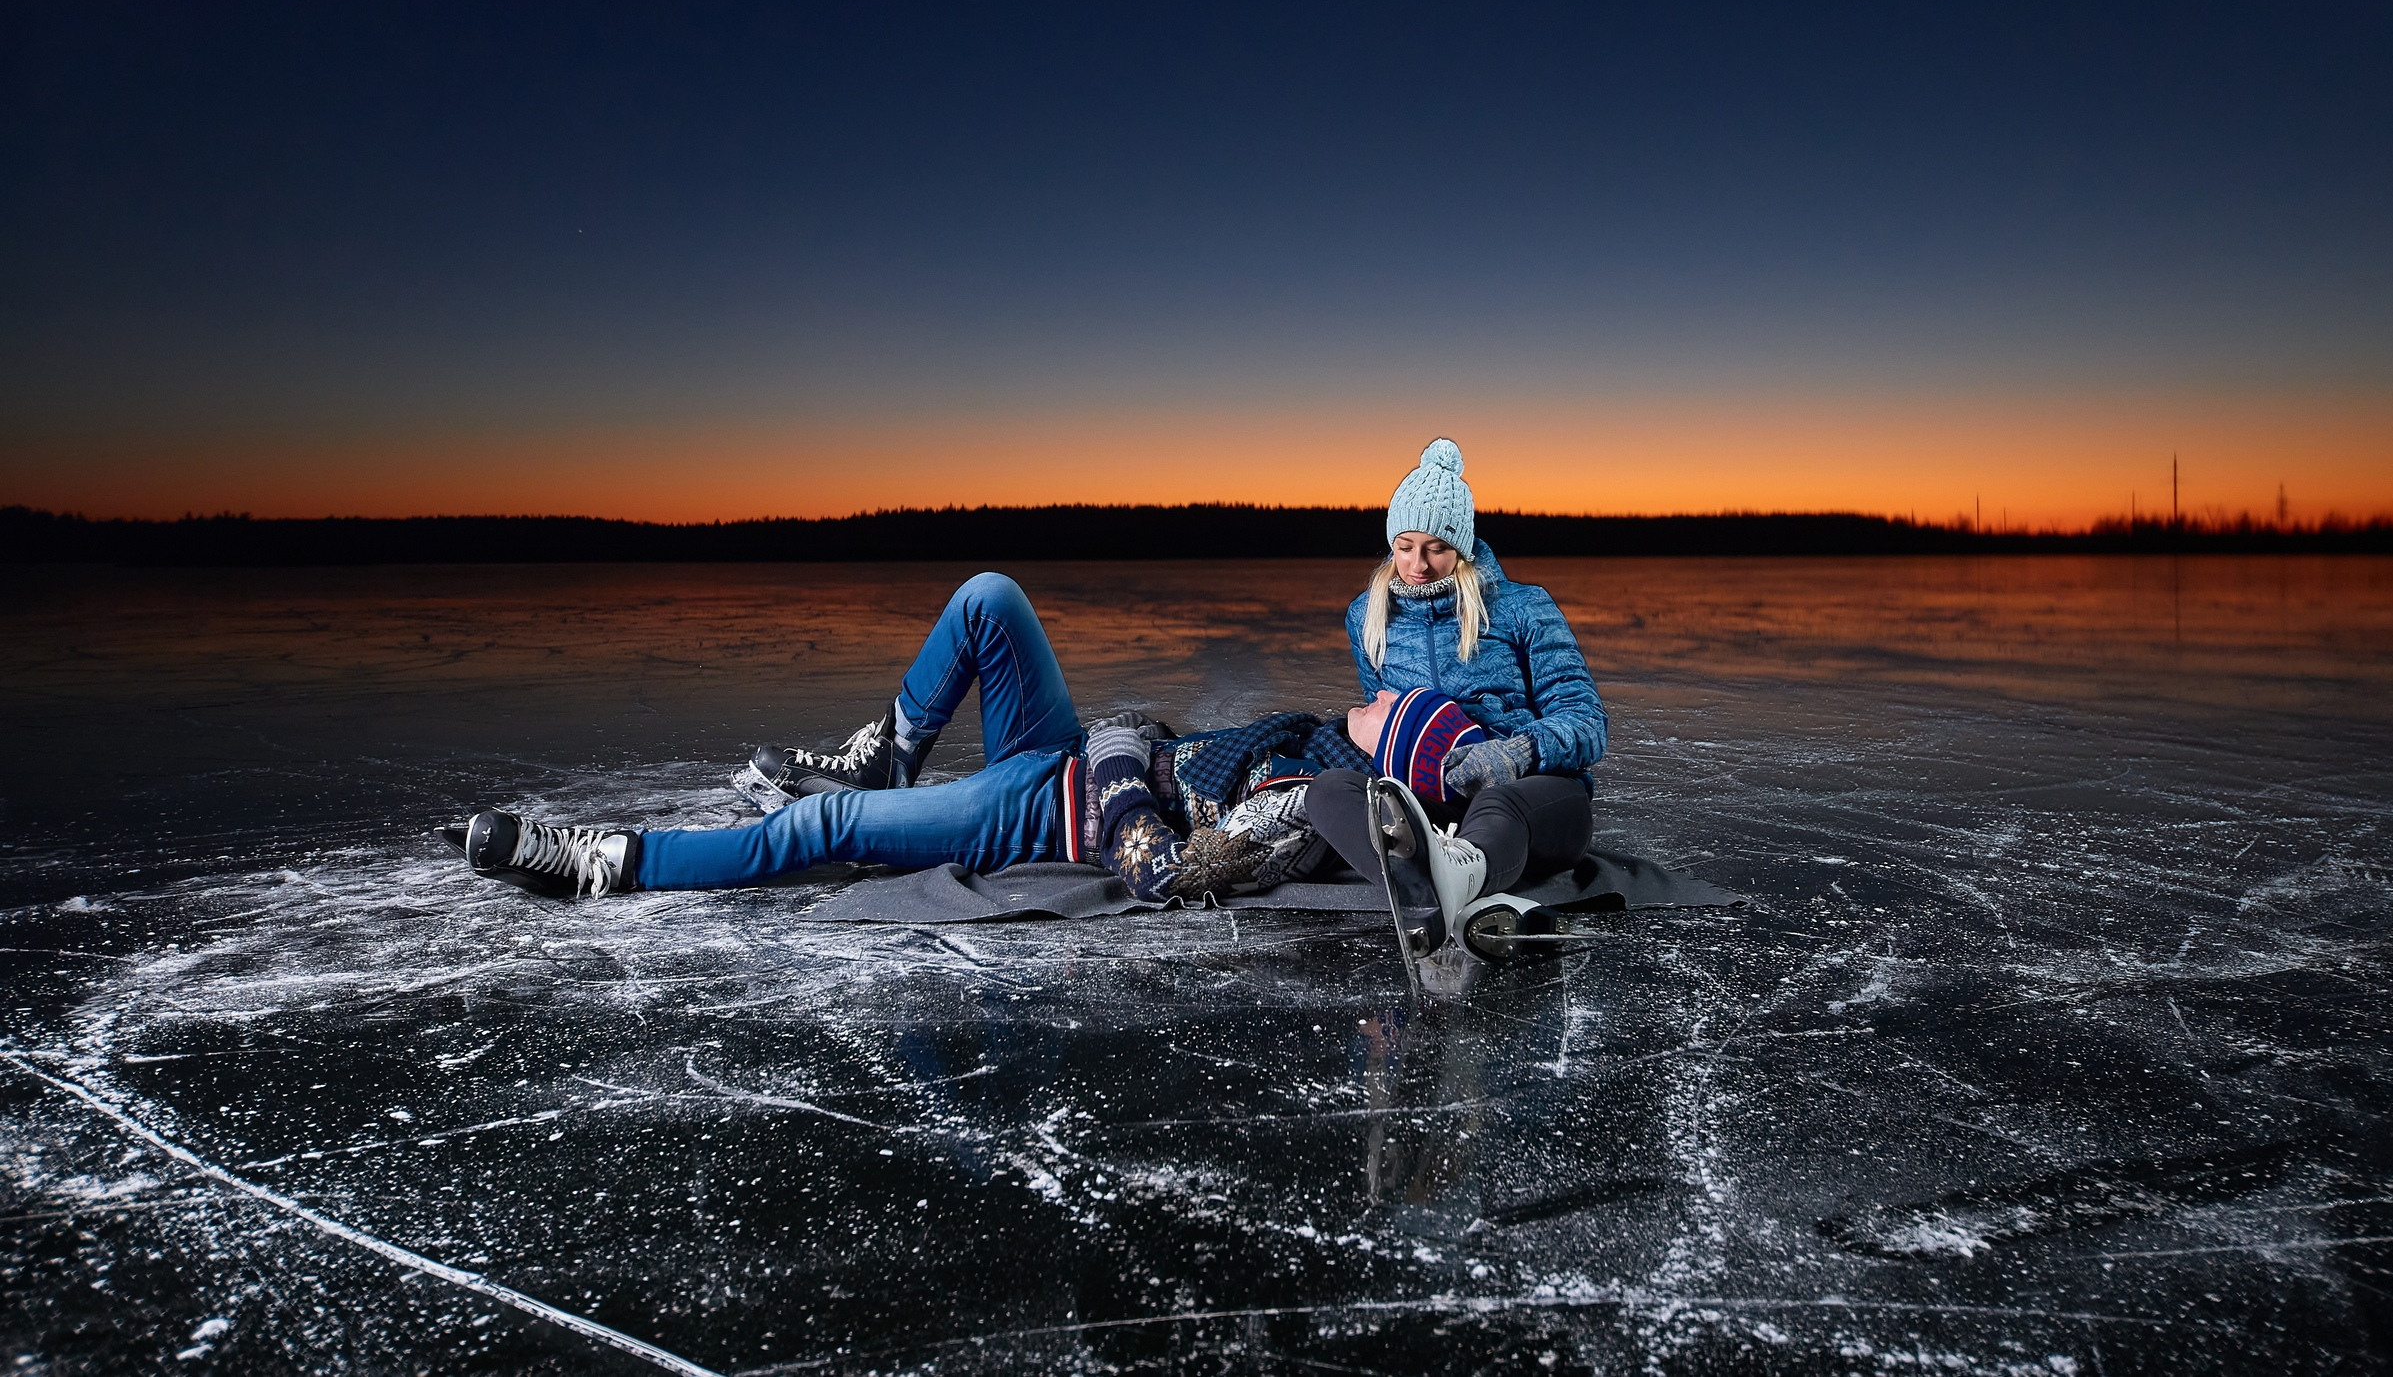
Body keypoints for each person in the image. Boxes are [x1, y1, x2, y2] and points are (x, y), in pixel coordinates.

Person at [454, 571, 1364, 902]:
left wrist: (1122, 757)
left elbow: (1157, 863)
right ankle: (886, 752)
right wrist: (1122, 744)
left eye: (1390, 714)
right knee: (988, 599)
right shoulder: (1311, 731)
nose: (1374, 701)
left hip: (1043, 816)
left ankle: (607, 859)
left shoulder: (1313, 801)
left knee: (822, 832)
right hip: (1065, 755)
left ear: (1386, 753)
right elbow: (1134, 737)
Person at [1297, 438, 1606, 953]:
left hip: (1532, 794)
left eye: (1436, 548)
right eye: (1404, 546)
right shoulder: (1367, 617)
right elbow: (1394, 723)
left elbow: (1587, 720)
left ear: (1460, 547)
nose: (1418, 564)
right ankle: (1442, 894)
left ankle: (1442, 884)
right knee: (1329, 792)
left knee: (1499, 805)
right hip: (1431, 802)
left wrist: (1515, 752)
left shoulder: (1520, 608)